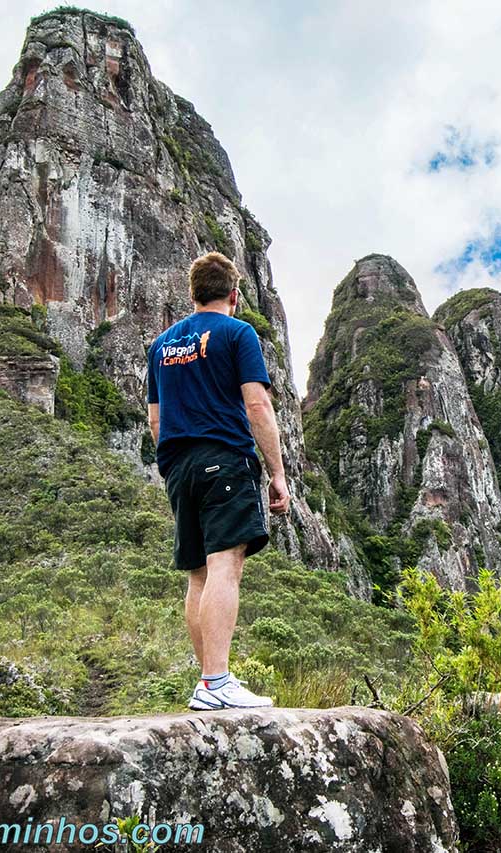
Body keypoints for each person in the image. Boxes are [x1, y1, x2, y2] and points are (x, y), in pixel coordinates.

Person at [146, 251, 290, 710]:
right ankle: (215, 680)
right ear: (234, 294)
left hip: (179, 467)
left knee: (198, 576)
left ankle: (208, 681)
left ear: (193, 295)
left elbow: (156, 420)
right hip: (223, 459)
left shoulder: (161, 345)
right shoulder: (237, 332)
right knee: (226, 564)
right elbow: (257, 406)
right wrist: (278, 473)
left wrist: (174, 465)